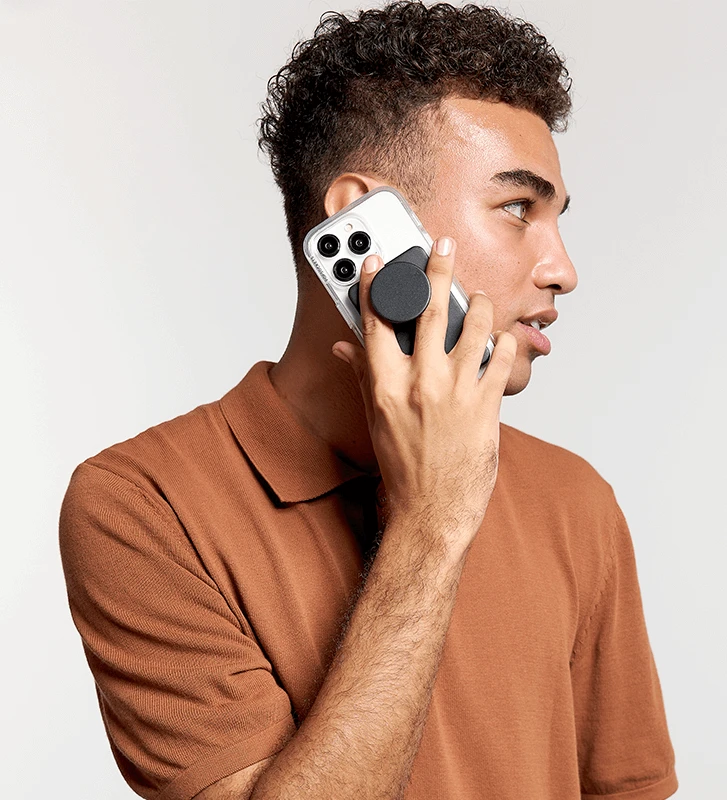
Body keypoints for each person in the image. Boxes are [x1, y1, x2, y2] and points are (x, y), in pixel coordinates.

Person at [59, 2, 678, 799]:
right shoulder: (142, 505)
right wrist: (431, 522)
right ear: (367, 221)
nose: (563, 269)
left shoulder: (575, 501)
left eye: (556, 218)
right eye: (518, 209)